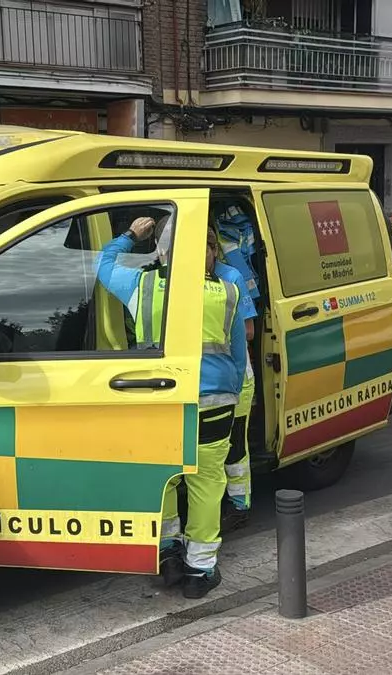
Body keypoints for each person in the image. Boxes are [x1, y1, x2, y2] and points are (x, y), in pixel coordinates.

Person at [95, 215, 248, 599]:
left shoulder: (140, 285)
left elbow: (103, 266)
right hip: (213, 400)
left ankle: (167, 555)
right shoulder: (226, 292)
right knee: (207, 484)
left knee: (162, 480)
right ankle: (201, 569)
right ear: (209, 253)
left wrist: (131, 235)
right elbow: (239, 354)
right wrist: (225, 390)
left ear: (163, 252)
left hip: (159, 402)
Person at [214, 206, 261, 531]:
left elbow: (248, 331)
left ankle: (239, 503)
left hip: (236, 377)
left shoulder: (231, 277)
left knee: (234, 443)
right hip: (211, 379)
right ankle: (221, 500)